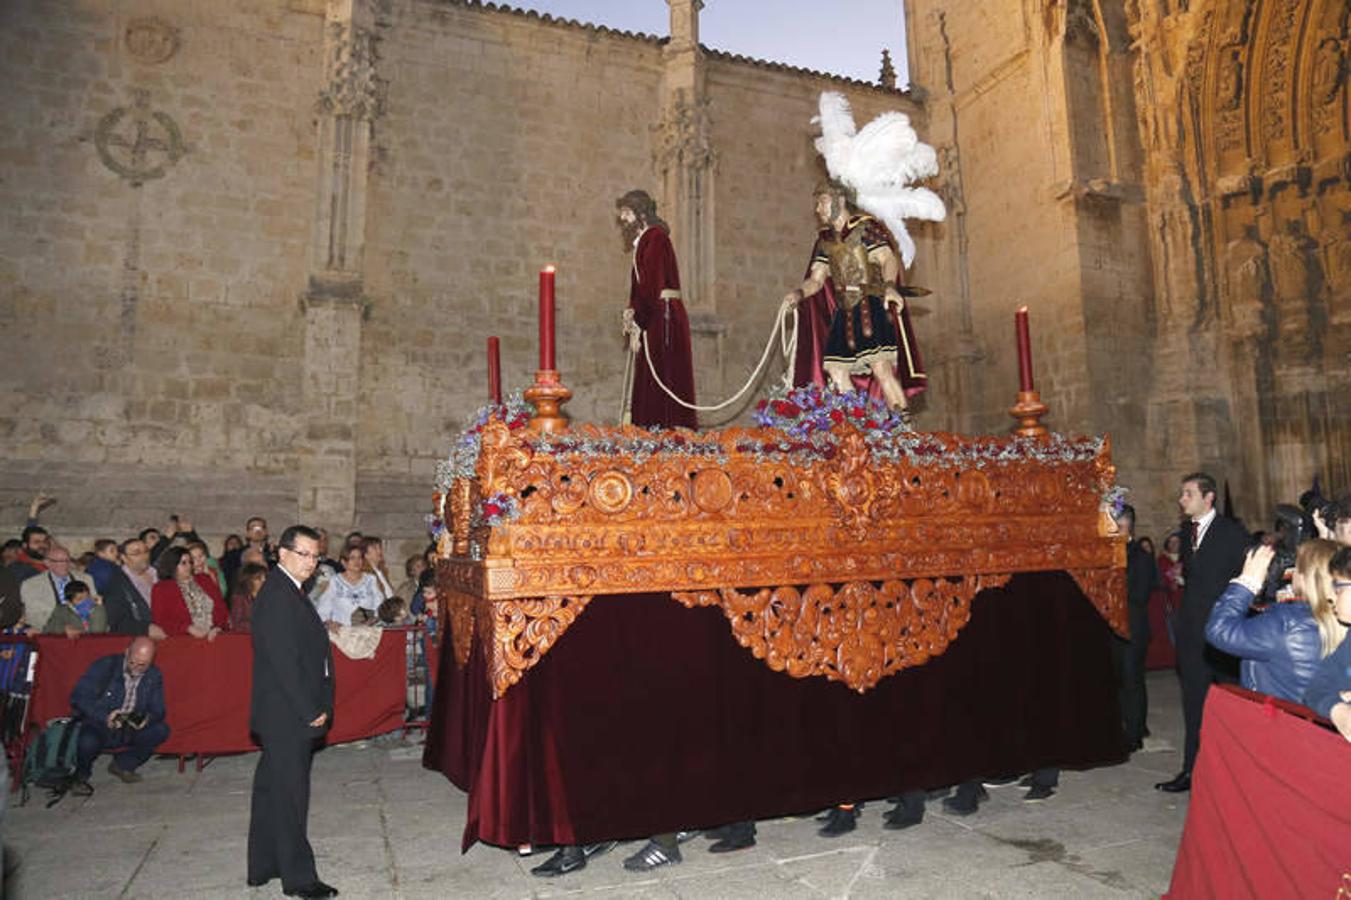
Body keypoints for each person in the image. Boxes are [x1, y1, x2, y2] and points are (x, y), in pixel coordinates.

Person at [246, 525, 338, 898]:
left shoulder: (287, 590)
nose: (311, 563)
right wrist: (309, 708)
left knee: (272, 790)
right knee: (290, 795)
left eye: (316, 556)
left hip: (280, 710)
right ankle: (300, 879)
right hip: (287, 711)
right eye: (304, 554)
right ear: (282, 553)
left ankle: (264, 864)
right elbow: (283, 661)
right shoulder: (279, 594)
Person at [783, 180, 926, 417]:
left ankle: (903, 433)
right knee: (837, 371)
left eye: (822, 202)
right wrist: (798, 294)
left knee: (881, 368)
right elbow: (816, 280)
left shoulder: (866, 228)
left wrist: (890, 286)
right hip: (844, 312)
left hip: (870, 306)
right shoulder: (824, 241)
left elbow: (887, 259)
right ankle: (860, 423)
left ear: (839, 201)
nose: (818, 209)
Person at [1156, 472, 1249, 793]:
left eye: (1188, 494)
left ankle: (1238, 774)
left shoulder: (1232, 532)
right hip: (1192, 634)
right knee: (1193, 705)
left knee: (1232, 707)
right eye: (1182, 494)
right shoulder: (1186, 532)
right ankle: (1191, 771)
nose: (1182, 500)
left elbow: (1246, 578)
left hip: (1224, 634)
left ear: (1208, 498)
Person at [1207, 540, 1344, 702]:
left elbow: (1219, 629)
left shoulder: (1286, 623)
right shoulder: (1341, 617)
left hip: (1279, 720)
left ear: (1303, 576)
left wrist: (1247, 582)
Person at [616, 189, 697, 429]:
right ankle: (648, 430)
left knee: (664, 374)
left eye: (627, 213)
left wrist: (639, 319)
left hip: (663, 316)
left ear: (640, 213)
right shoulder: (645, 240)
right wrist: (632, 312)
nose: (623, 219)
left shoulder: (655, 238)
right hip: (656, 314)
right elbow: (640, 285)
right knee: (649, 376)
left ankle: (664, 430)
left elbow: (652, 283)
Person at [68, 637, 169, 793]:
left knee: (160, 730)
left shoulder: (154, 675)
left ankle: (123, 765)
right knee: (87, 741)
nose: (136, 668)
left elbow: (159, 710)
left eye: (143, 665)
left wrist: (146, 718)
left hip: (129, 726)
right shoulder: (105, 666)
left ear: (151, 662)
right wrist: (105, 716)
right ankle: (80, 777)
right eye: (132, 662)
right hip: (100, 723)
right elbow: (79, 698)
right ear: (127, 652)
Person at [1114, 504, 1159, 751]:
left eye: (1118, 526)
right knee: (1118, 679)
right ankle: (1122, 725)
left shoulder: (1140, 556)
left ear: (1128, 525)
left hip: (1133, 625)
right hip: (1113, 627)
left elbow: (1140, 594)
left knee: (1132, 679)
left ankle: (1134, 732)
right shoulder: (1106, 553)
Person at [150, 547, 228, 640]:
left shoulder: (205, 580)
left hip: (214, 635)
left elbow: (221, 607)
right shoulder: (161, 588)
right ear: (172, 565)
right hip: (183, 639)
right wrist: (187, 628)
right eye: (183, 563)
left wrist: (218, 627)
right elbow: (161, 620)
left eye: (190, 562)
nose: (189, 566)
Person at [19, 545, 93, 635]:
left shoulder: (86, 579)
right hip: (48, 634)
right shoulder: (31, 585)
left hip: (82, 632)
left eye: (67, 561)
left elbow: (93, 608)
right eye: (59, 561)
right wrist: (60, 628)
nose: (65, 564)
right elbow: (33, 615)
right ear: (47, 562)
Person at [103, 538, 165, 638]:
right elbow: (117, 621)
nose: (143, 556)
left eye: (146, 551)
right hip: (140, 639)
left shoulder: (160, 575)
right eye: (137, 553)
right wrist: (145, 628)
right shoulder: (116, 583)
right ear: (124, 558)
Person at [314, 545, 382, 629]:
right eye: (352, 558)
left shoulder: (371, 580)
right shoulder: (335, 581)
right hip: (342, 633)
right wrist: (330, 623)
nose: (357, 561)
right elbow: (323, 609)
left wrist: (373, 620)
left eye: (359, 558)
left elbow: (380, 607)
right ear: (343, 562)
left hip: (367, 632)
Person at [44, 581, 108, 637]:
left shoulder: (97, 609)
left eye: (87, 597)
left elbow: (97, 633)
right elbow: (47, 629)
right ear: (69, 602)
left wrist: (98, 608)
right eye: (79, 599)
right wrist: (63, 629)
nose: (85, 601)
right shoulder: (62, 611)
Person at [229, 563, 269, 634]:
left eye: (265, 577)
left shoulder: (270, 597)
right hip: (246, 640)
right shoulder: (240, 598)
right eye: (258, 578)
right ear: (248, 581)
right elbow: (237, 624)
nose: (264, 581)